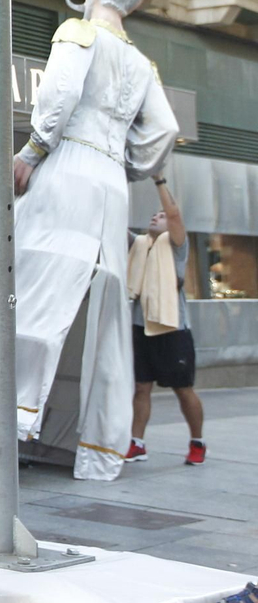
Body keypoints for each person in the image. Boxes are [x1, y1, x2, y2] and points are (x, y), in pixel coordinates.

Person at [13, 0, 179, 482]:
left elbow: (58, 94)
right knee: (107, 313)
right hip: (111, 184)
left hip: (68, 167)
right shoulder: (141, 63)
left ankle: (9, 416)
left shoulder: (77, 33)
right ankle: (99, 450)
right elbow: (164, 132)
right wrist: (127, 163)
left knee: (36, 284)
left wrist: (33, 150)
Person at [126, 178, 205, 466]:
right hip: (140, 327)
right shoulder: (139, 244)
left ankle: (197, 442)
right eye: (153, 215)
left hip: (172, 328)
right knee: (141, 388)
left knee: (182, 389)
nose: (156, 217)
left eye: (160, 216)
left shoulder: (176, 247)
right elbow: (111, 225)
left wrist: (159, 179)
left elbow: (174, 214)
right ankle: (137, 443)